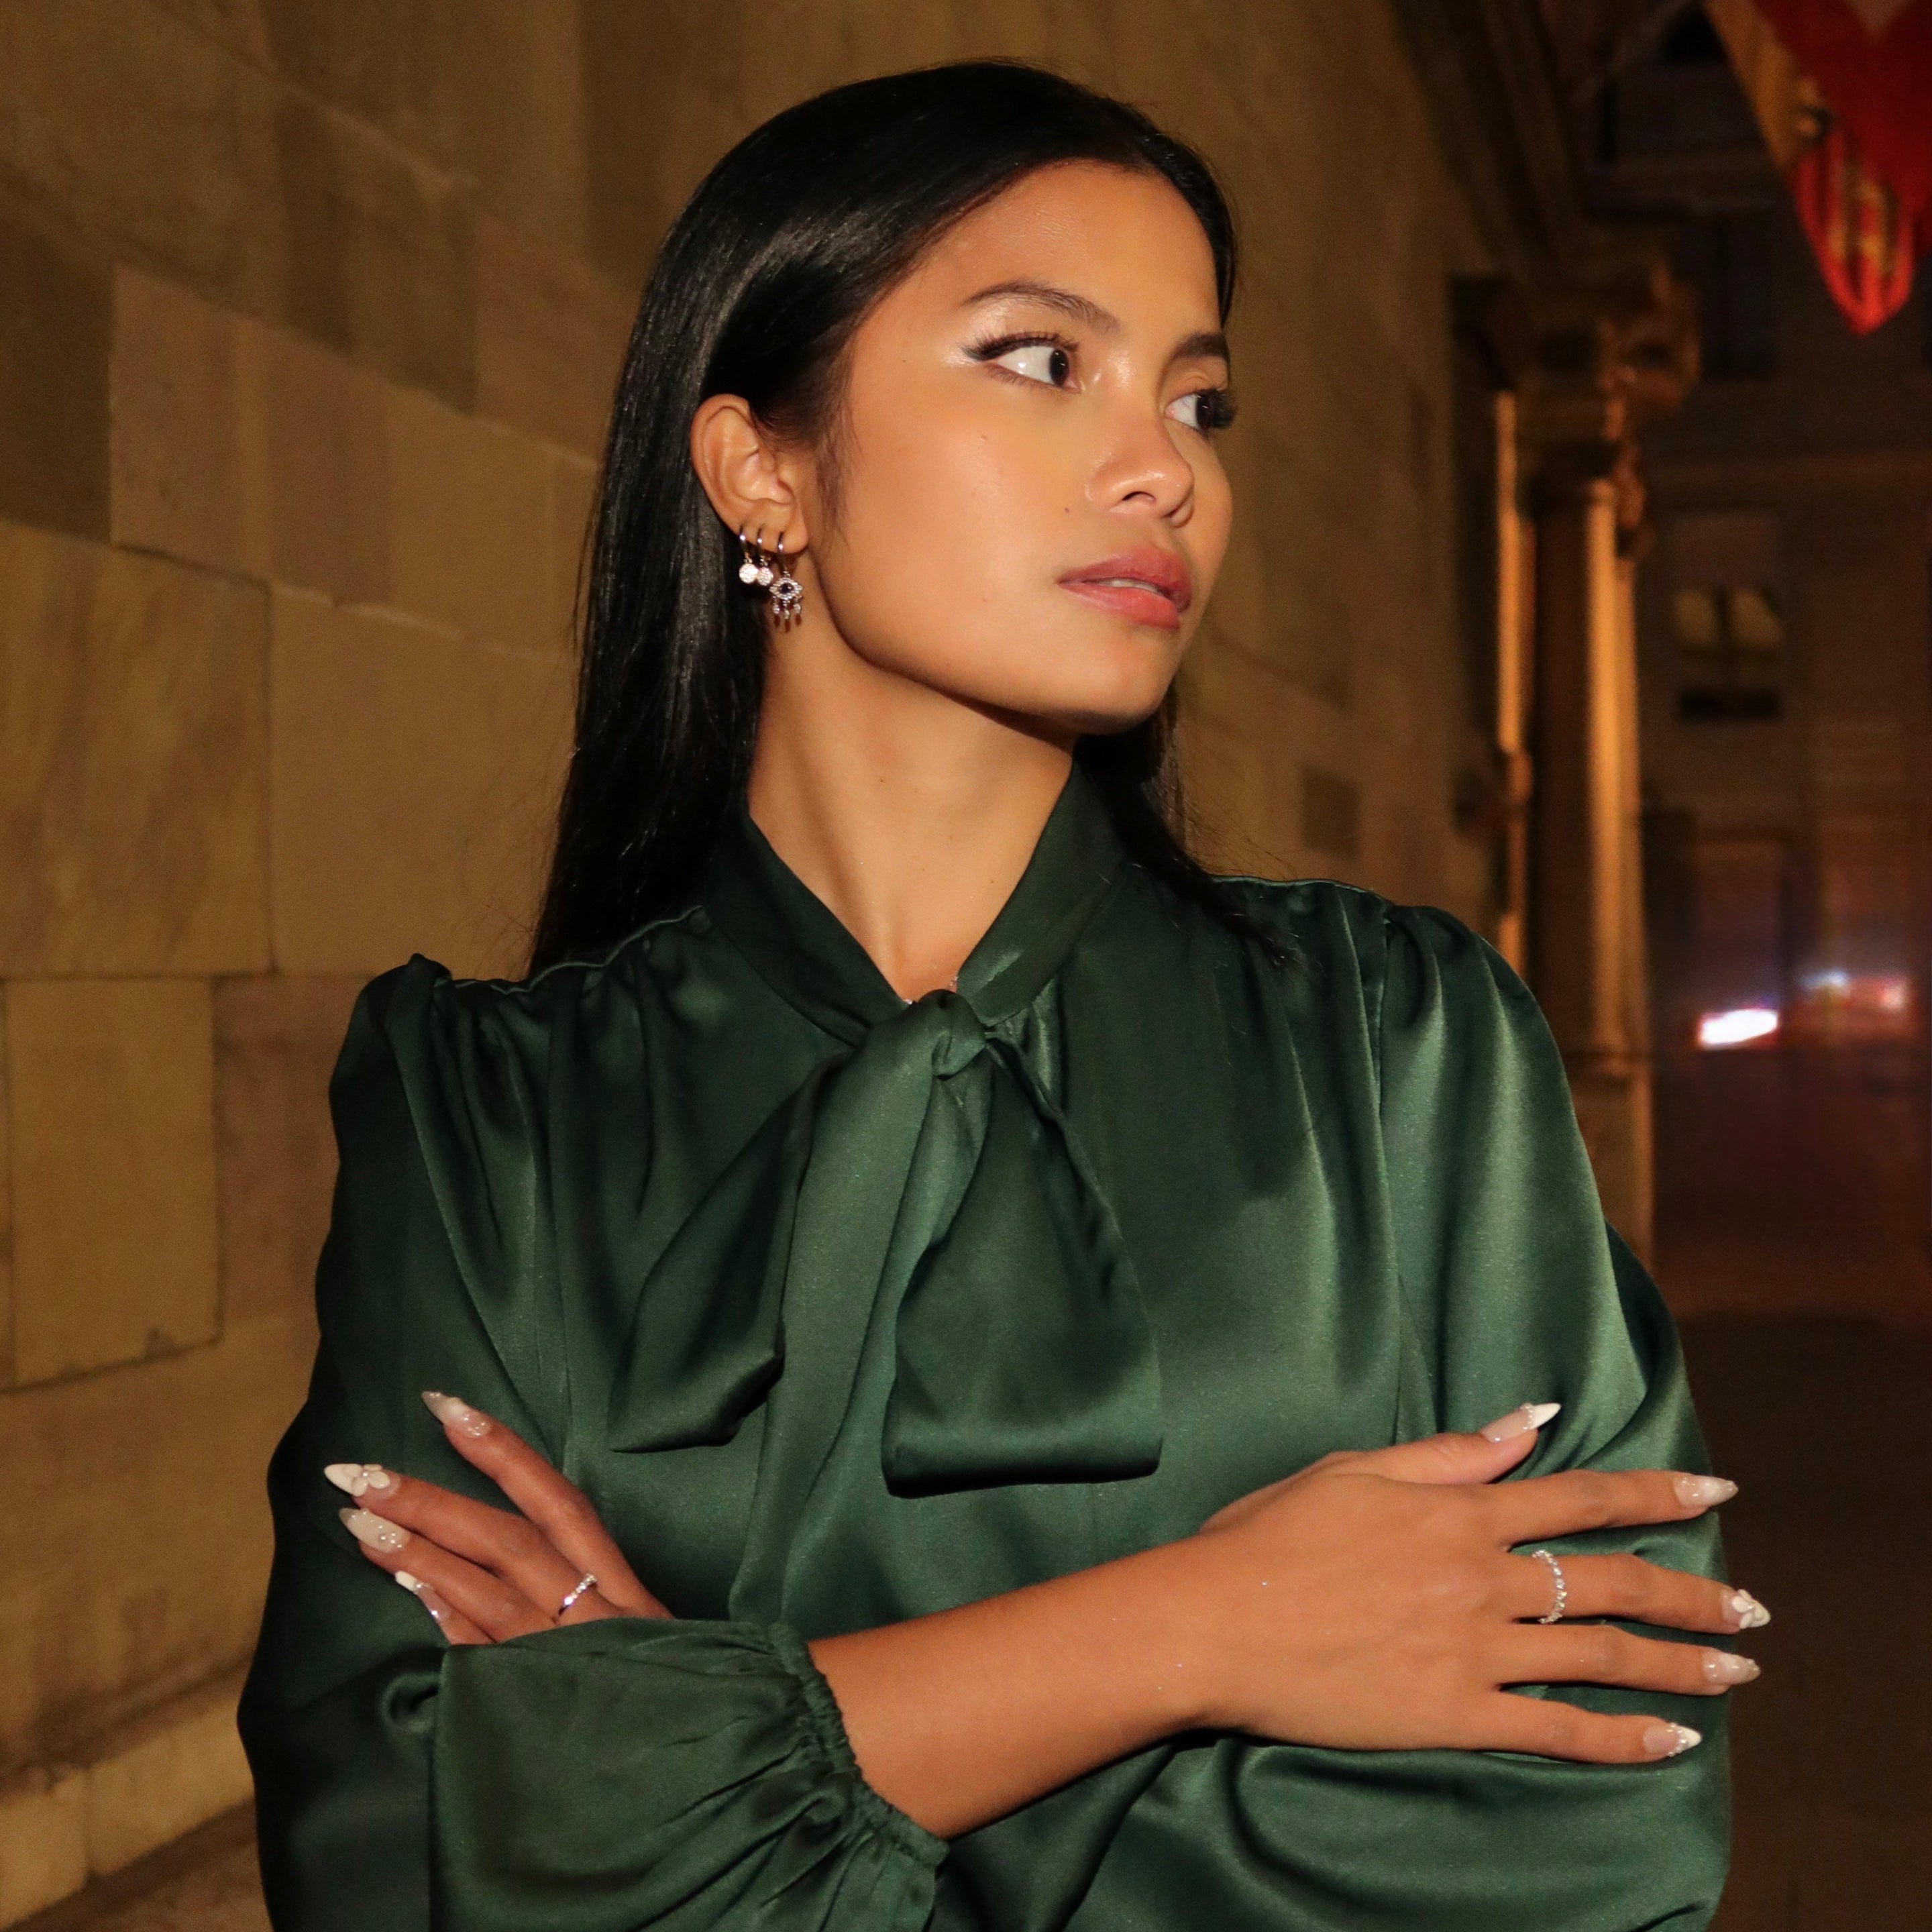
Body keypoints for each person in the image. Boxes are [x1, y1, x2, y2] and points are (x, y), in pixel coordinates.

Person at [239, 61, 1760, 1931]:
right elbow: (391, 1858)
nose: (1168, 465)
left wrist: (691, 1759)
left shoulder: (1411, 1054)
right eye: (1047, 360)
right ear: (762, 469)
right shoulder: (490, 1116)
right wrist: (1208, 1627)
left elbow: (1597, 1839)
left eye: (1199, 396)